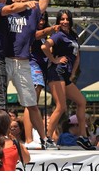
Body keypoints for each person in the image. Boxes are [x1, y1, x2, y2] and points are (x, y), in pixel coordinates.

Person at [5, 0, 68, 150]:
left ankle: (44, 138)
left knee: (31, 103)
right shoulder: (5, 11)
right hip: (4, 61)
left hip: (24, 63)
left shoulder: (34, 13)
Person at [41, 9, 95, 150]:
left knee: (82, 101)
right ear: (58, 21)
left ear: (70, 21)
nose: (64, 21)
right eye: (62, 19)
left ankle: (83, 137)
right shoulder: (58, 35)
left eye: (67, 19)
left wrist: (72, 73)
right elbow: (44, 46)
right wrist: (54, 59)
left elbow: (77, 56)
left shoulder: (73, 36)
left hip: (65, 75)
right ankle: (47, 138)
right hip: (56, 72)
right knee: (61, 106)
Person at [25, 11, 60, 148]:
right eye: (39, 18)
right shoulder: (31, 29)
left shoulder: (47, 34)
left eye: (43, 18)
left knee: (32, 103)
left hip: (41, 67)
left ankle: (35, 138)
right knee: (31, 103)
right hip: (34, 66)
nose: (41, 21)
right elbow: (36, 36)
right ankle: (28, 139)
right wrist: (51, 29)